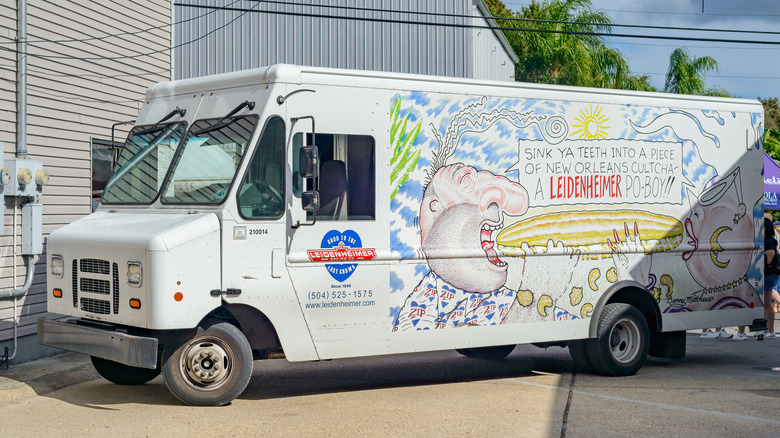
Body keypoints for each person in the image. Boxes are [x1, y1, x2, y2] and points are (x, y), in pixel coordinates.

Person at [758, 216, 779, 340]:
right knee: (766, 304)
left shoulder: (770, 241)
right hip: (767, 274)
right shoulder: (766, 240)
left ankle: (770, 330)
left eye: (763, 227)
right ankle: (768, 329)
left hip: (769, 274)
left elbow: (768, 259)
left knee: (767, 304)